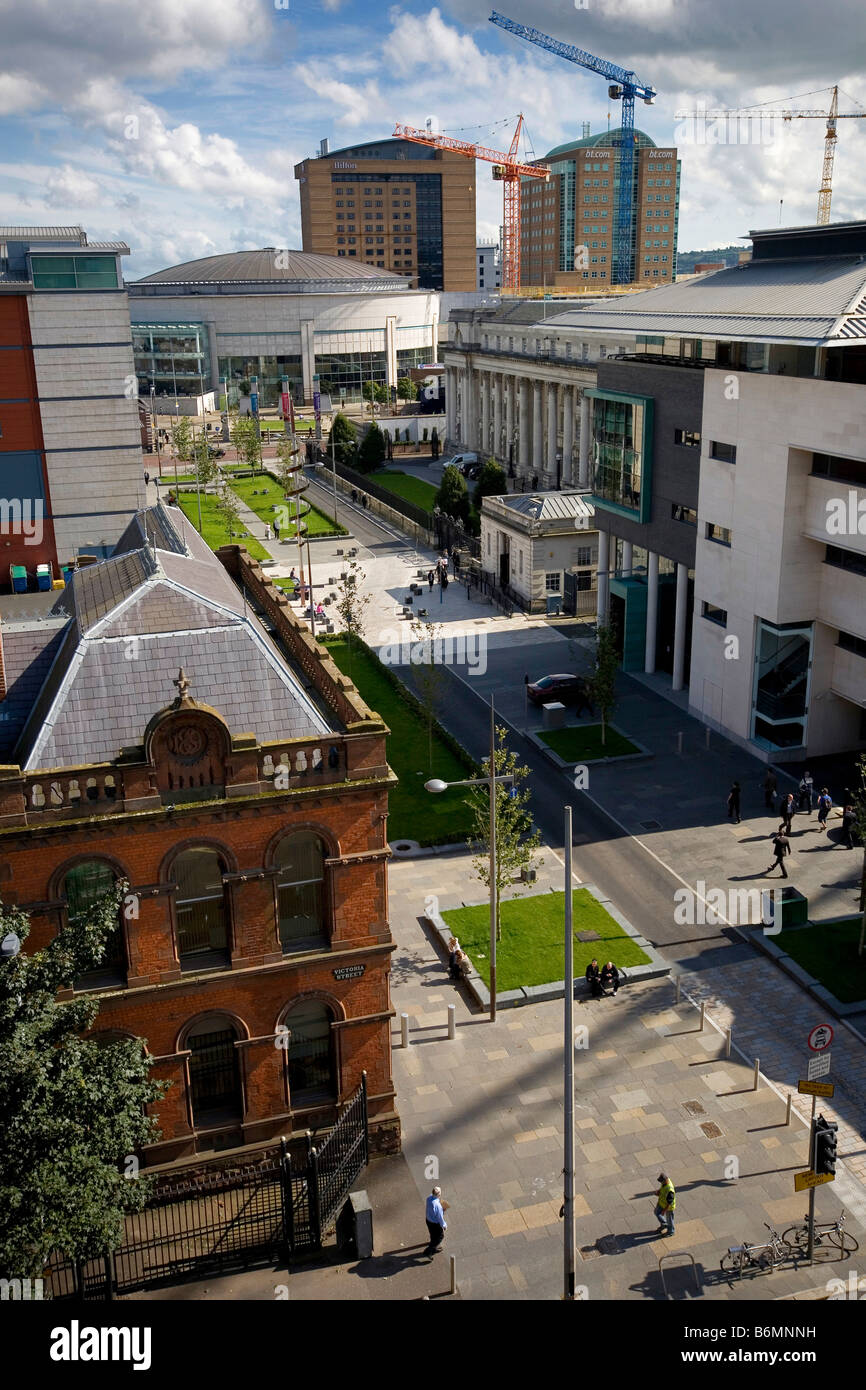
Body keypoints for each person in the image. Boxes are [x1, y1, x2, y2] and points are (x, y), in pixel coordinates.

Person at [424, 1186, 448, 1254]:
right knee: (440, 1236)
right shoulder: (437, 1205)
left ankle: (432, 1243)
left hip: (428, 1220)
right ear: (439, 1194)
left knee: (433, 1234)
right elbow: (439, 1217)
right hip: (435, 1223)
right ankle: (430, 1250)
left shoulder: (429, 1198)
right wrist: (444, 1225)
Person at [654, 1172, 676, 1236]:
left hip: (668, 1207)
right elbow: (662, 1188)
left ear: (665, 1180)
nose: (661, 1183)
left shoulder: (670, 1189)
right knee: (656, 1212)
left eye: (662, 1181)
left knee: (669, 1219)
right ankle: (663, 1224)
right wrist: (658, 1191)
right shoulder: (665, 1182)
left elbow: (670, 1201)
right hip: (661, 1202)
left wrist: (664, 1210)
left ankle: (670, 1232)